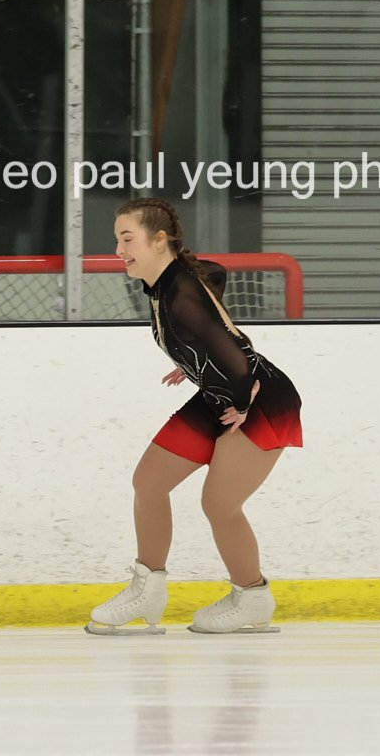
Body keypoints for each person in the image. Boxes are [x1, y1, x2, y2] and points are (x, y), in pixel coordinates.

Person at [87, 197, 303, 635]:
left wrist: (241, 400)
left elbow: (238, 361)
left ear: (158, 240)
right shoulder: (171, 280)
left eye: (127, 239)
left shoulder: (180, 296)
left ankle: (253, 598)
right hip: (219, 394)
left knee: (219, 503)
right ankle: (148, 590)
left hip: (259, 401)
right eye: (117, 240)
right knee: (149, 482)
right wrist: (193, 359)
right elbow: (215, 275)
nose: (118, 250)